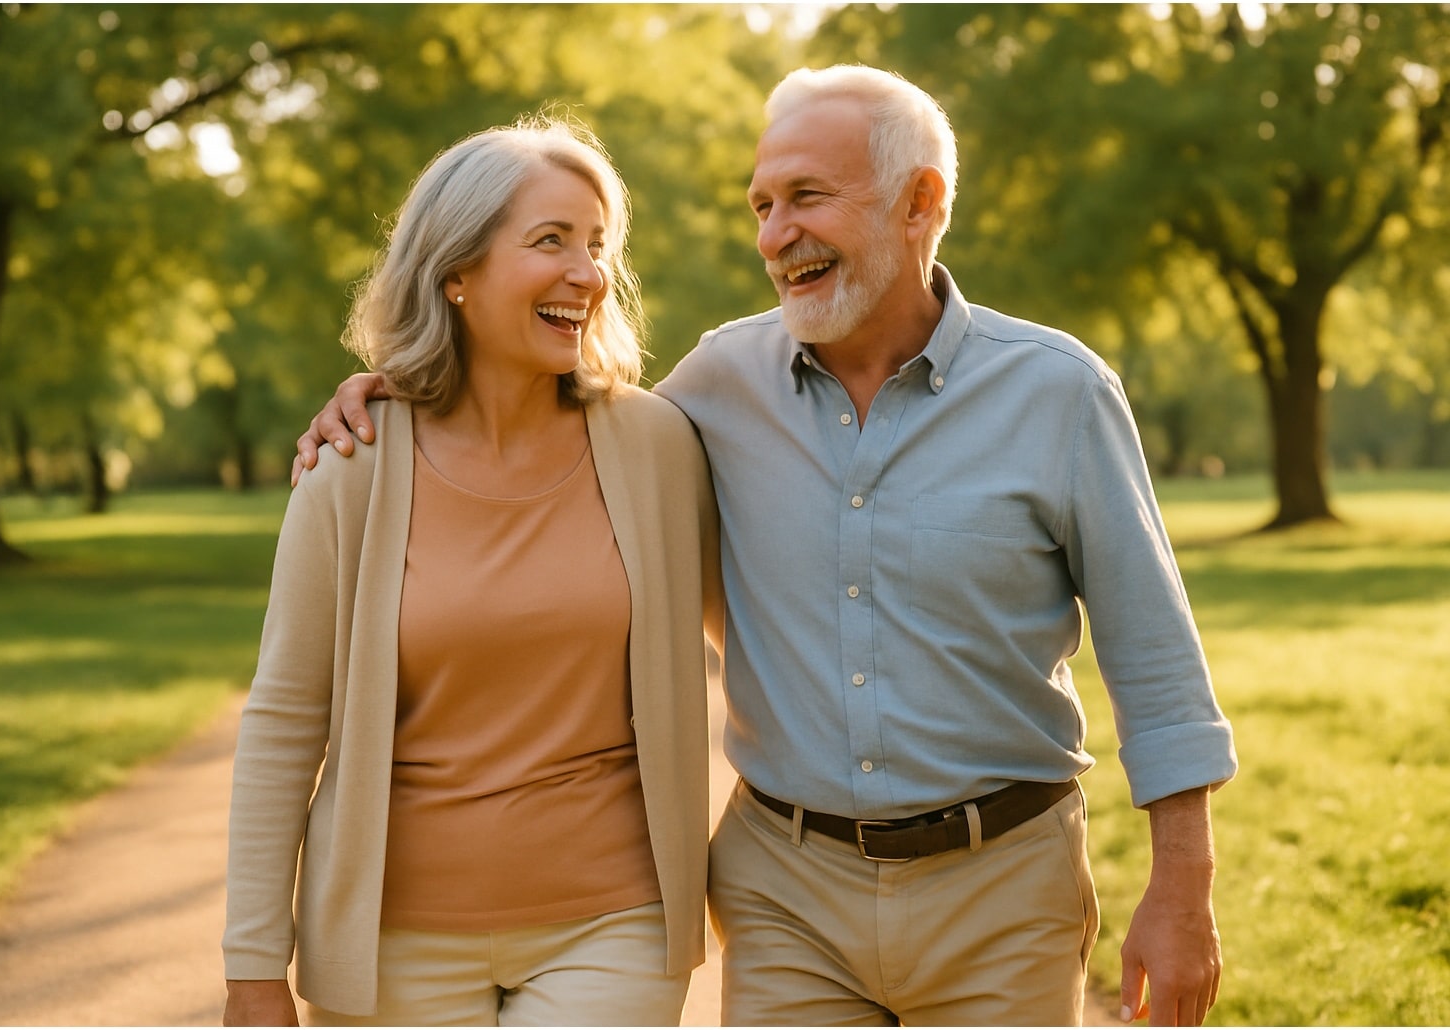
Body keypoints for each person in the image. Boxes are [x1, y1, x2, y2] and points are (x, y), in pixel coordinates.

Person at [294, 66, 1238, 1027]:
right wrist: (397, 391)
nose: (775, 235)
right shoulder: (714, 386)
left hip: (1006, 888)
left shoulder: (1060, 394)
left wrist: (1182, 891)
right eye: (762, 204)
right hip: (786, 893)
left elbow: (1155, 661)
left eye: (808, 198)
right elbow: (552, 419)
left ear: (921, 204)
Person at [225, 116, 721, 1027]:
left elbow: (771, 615)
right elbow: (286, 721)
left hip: (615, 922)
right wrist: (253, 967)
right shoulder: (352, 467)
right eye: (550, 241)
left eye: (597, 244)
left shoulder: (656, 444)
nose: (588, 272)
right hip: (391, 945)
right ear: (456, 273)